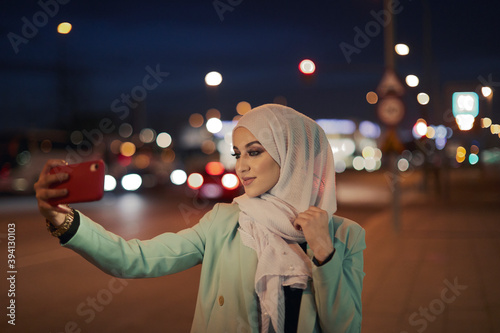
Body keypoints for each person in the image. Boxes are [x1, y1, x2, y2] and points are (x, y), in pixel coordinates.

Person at [35, 104, 366, 333]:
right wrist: (65, 220)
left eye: (254, 151)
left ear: (293, 153)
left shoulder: (345, 236)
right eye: (237, 154)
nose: (241, 166)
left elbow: (343, 327)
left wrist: (325, 254)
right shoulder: (224, 222)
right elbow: (134, 259)